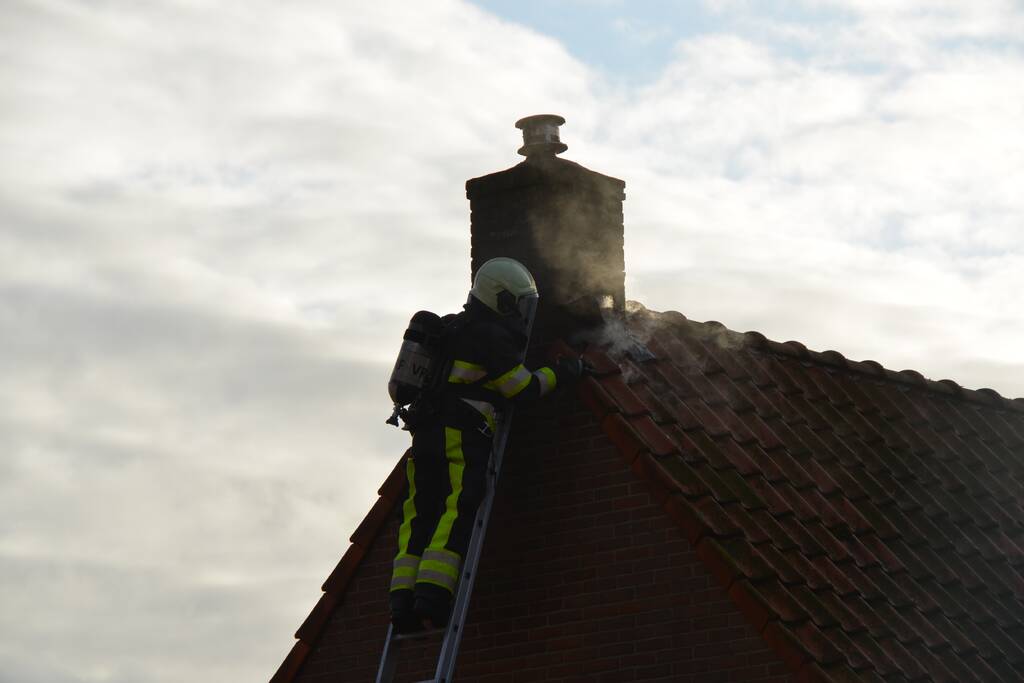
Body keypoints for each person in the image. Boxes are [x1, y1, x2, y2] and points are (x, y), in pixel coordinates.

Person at [389, 257, 584, 632]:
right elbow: (521, 388)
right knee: (458, 507)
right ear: (504, 300)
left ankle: (401, 603)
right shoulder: (489, 336)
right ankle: (431, 597)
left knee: (417, 515)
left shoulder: (452, 327)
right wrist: (564, 372)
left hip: (423, 434)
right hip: (458, 435)